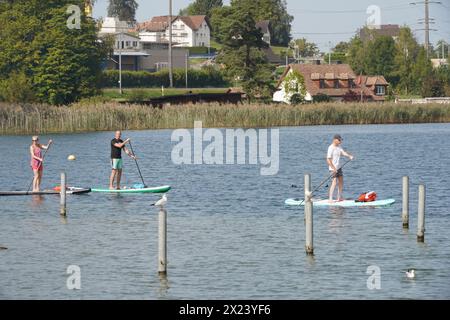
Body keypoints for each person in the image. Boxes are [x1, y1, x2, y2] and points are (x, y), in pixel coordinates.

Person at [327, 134, 353, 202]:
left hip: (339, 168)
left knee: (341, 181)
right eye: (339, 140)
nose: (340, 141)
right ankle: (330, 199)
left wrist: (349, 156)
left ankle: (339, 197)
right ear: (335, 140)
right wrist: (333, 168)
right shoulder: (330, 148)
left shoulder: (339, 147)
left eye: (340, 140)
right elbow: (328, 160)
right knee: (334, 182)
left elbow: (343, 153)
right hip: (332, 168)